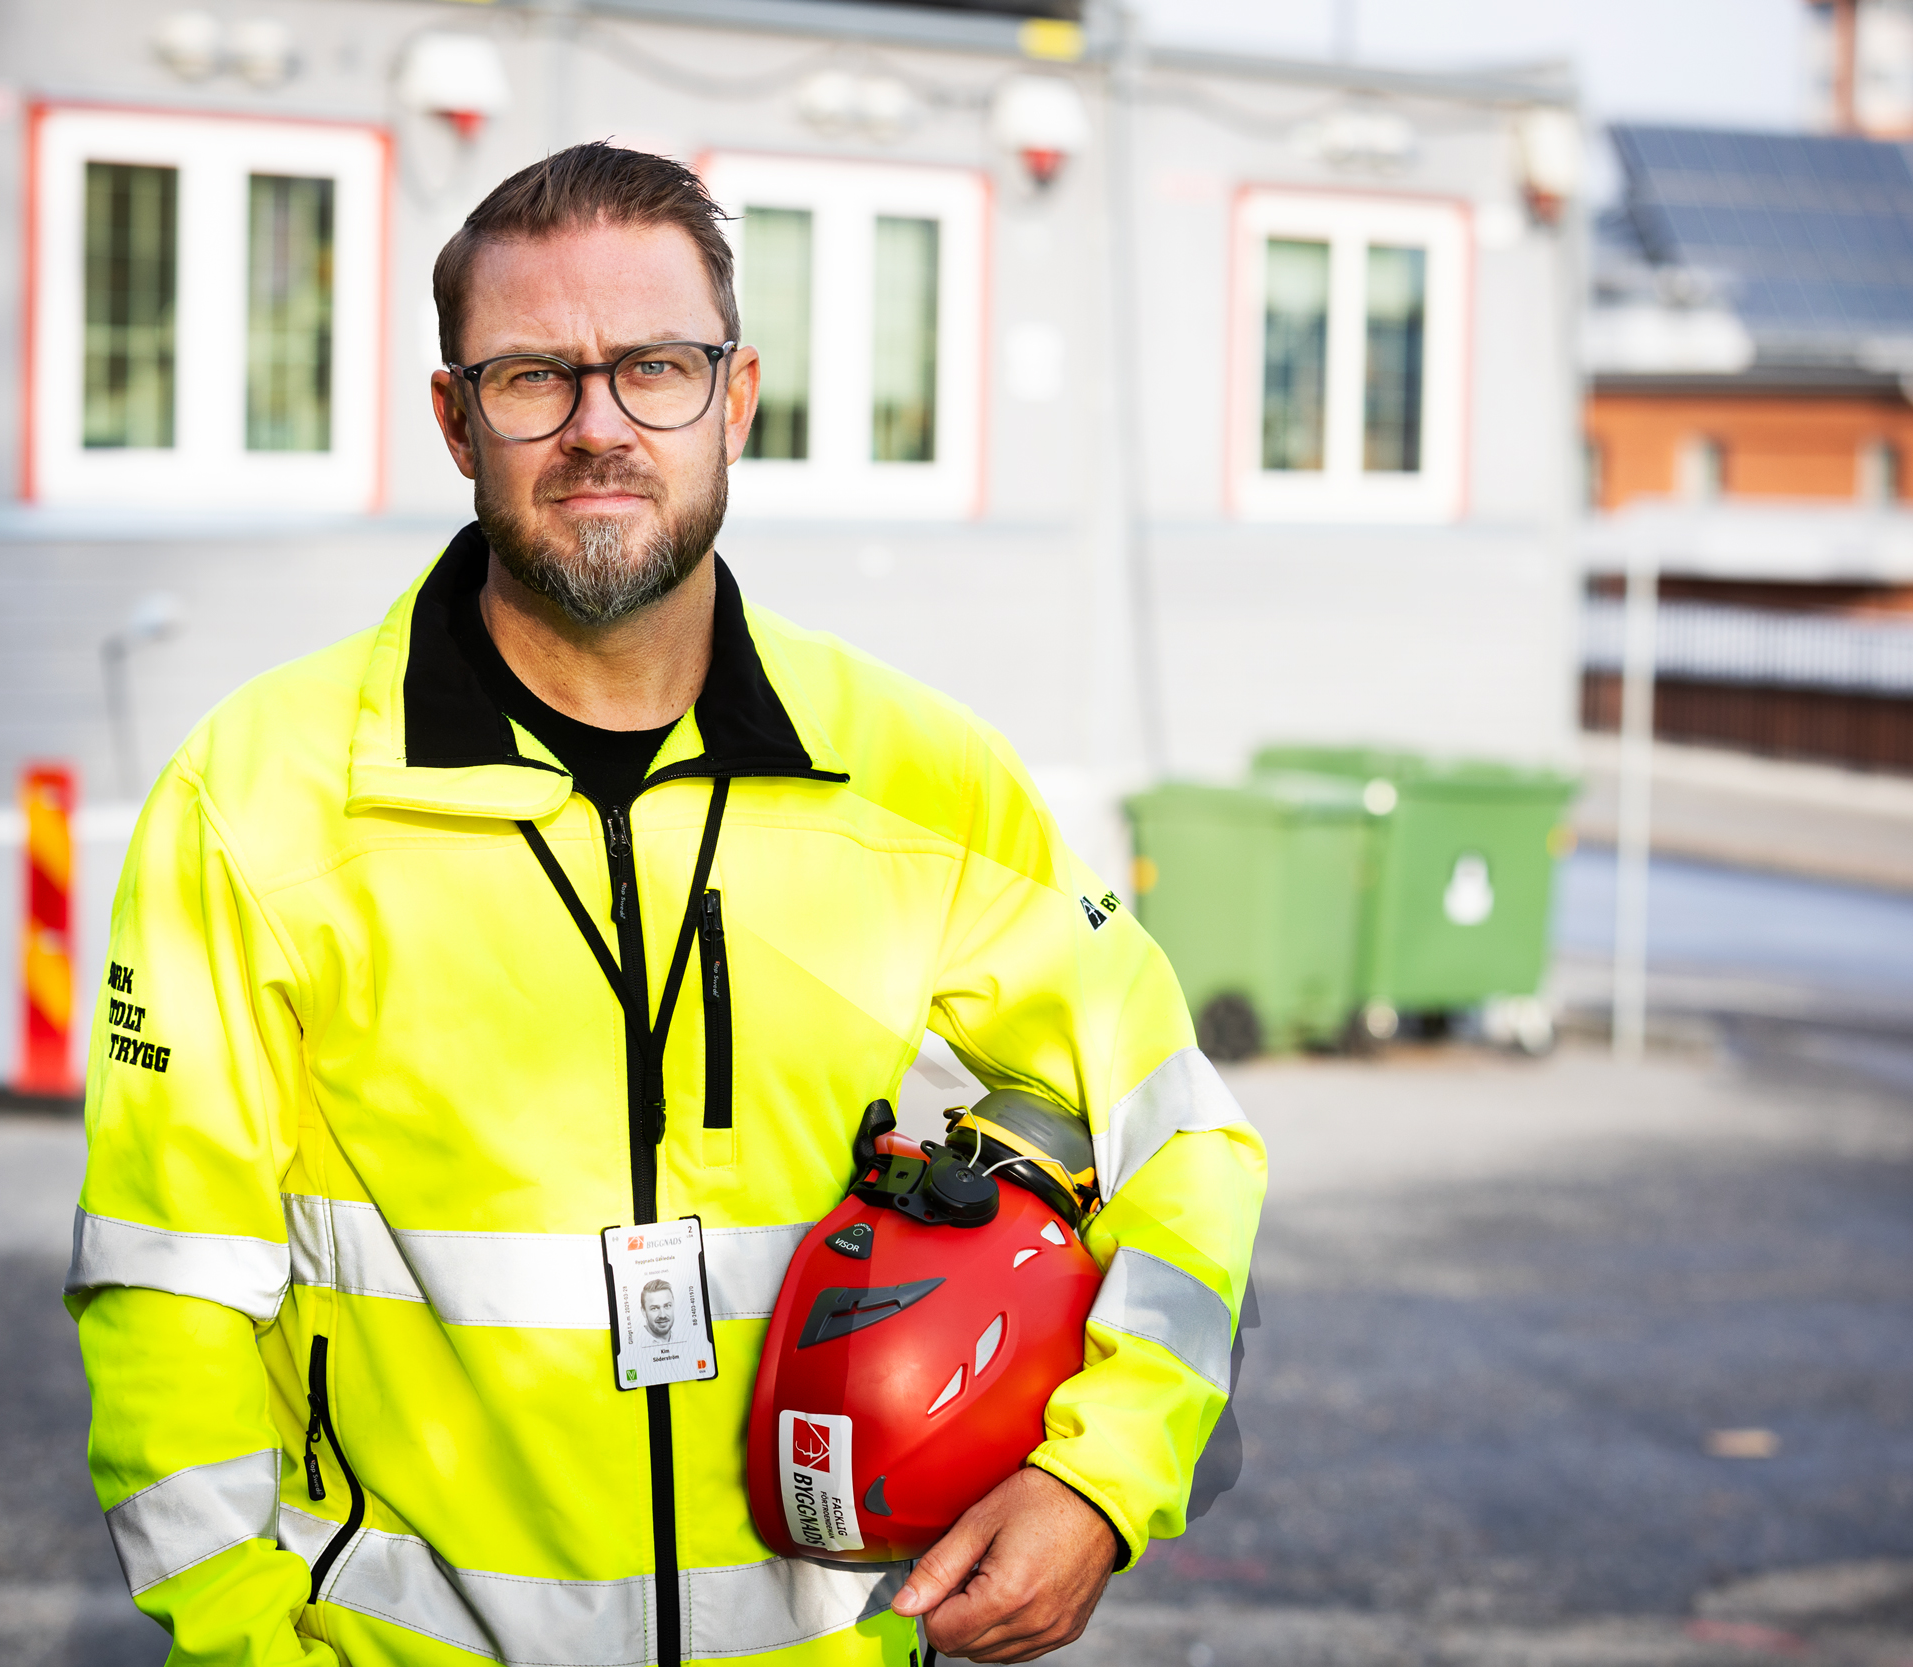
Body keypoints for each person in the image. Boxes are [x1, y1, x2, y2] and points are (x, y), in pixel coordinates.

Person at [69, 143, 1265, 1667]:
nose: (597, 427)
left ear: (737, 397)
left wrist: (1104, 1479)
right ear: (454, 419)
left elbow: (1186, 1140)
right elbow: (166, 1292)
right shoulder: (261, 797)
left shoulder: (918, 776)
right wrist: (243, 1640)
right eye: (529, 378)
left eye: (656, 368)